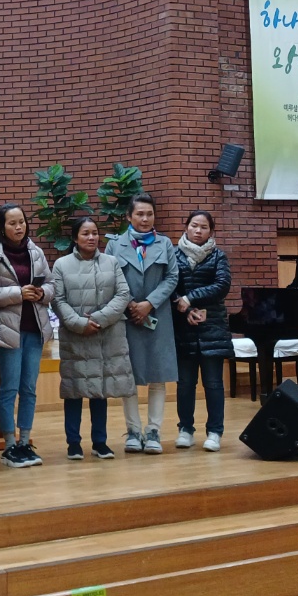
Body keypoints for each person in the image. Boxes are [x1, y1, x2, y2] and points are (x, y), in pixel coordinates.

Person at [51, 216, 133, 459]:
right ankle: (73, 443)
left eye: (95, 233)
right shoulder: (61, 264)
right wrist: (79, 324)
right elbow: (58, 300)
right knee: (74, 390)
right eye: (85, 233)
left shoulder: (111, 262)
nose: (91, 237)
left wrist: (97, 319)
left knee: (100, 389)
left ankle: (100, 442)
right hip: (75, 336)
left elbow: (123, 294)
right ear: (75, 238)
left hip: (105, 334)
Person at [0, 203, 54, 468]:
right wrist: (18, 293)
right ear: (2, 227)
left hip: (35, 328)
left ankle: (24, 442)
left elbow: (52, 285)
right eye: (12, 223)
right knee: (9, 388)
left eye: (21, 221)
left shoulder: (36, 251)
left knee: (29, 389)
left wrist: (42, 293)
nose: (18, 227)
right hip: (8, 330)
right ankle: (9, 445)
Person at [105, 193, 179, 454]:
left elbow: (172, 277)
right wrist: (131, 305)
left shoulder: (165, 243)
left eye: (149, 214)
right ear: (129, 216)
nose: (145, 219)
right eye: (139, 214)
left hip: (158, 317)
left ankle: (154, 430)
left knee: (158, 376)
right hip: (127, 318)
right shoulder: (115, 245)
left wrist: (149, 303)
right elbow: (109, 278)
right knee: (130, 375)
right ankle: (134, 431)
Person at [172, 210, 232, 452]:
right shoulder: (173, 255)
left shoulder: (218, 256)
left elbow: (222, 285)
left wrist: (191, 297)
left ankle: (215, 432)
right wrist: (186, 309)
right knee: (185, 384)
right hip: (183, 328)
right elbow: (169, 286)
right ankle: (185, 429)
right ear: (186, 227)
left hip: (213, 328)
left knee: (214, 384)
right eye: (194, 225)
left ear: (211, 231)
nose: (198, 230)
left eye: (204, 227)